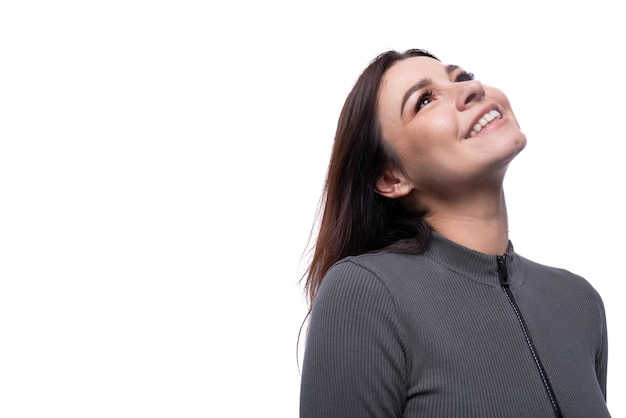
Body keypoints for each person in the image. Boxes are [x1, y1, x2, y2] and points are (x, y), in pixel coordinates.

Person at [298, 48, 610, 418]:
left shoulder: (578, 301)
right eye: (425, 100)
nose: (472, 89)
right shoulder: (366, 292)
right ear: (391, 178)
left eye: (462, 77)